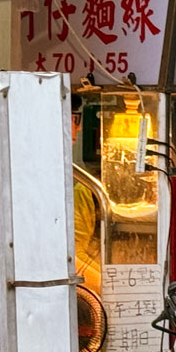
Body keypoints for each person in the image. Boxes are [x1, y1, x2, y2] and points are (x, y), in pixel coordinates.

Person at [72, 95, 103, 296]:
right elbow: (73, 253)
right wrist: (103, 286)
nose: (79, 128)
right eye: (76, 119)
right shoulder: (87, 190)